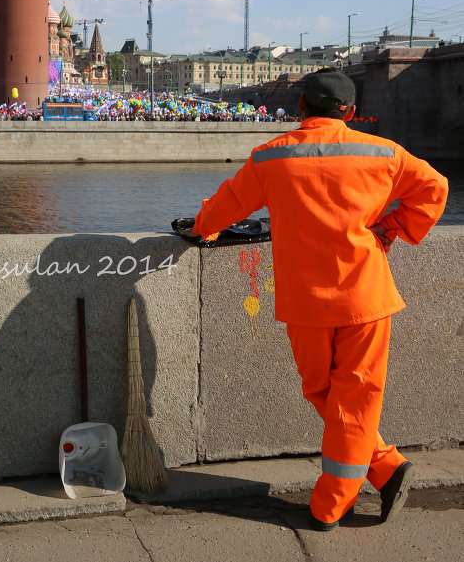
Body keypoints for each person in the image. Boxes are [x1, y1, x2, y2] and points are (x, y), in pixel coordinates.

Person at [190, 69, 448, 531]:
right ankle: (384, 467)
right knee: (357, 396)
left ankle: (332, 503)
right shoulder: (383, 152)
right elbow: (435, 188)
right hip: (366, 294)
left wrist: (199, 227)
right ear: (349, 112)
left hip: (305, 300)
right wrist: (391, 229)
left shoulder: (271, 156)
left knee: (321, 391)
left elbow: (227, 205)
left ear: (302, 108)